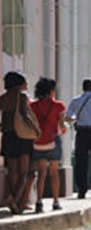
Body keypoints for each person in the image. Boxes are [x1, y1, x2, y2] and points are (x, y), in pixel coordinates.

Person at [1, 72, 40, 214]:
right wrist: (36, 129)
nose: (26, 85)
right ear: (18, 84)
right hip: (22, 137)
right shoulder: (21, 97)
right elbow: (25, 114)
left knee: (12, 172)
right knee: (24, 172)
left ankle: (13, 199)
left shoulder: (3, 98)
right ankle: (15, 200)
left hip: (8, 137)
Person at [28, 77, 66, 213]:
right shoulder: (58, 106)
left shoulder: (32, 106)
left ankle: (39, 202)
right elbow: (61, 126)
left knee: (41, 173)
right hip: (53, 141)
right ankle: (55, 202)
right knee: (54, 173)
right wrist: (64, 128)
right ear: (51, 91)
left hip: (38, 142)